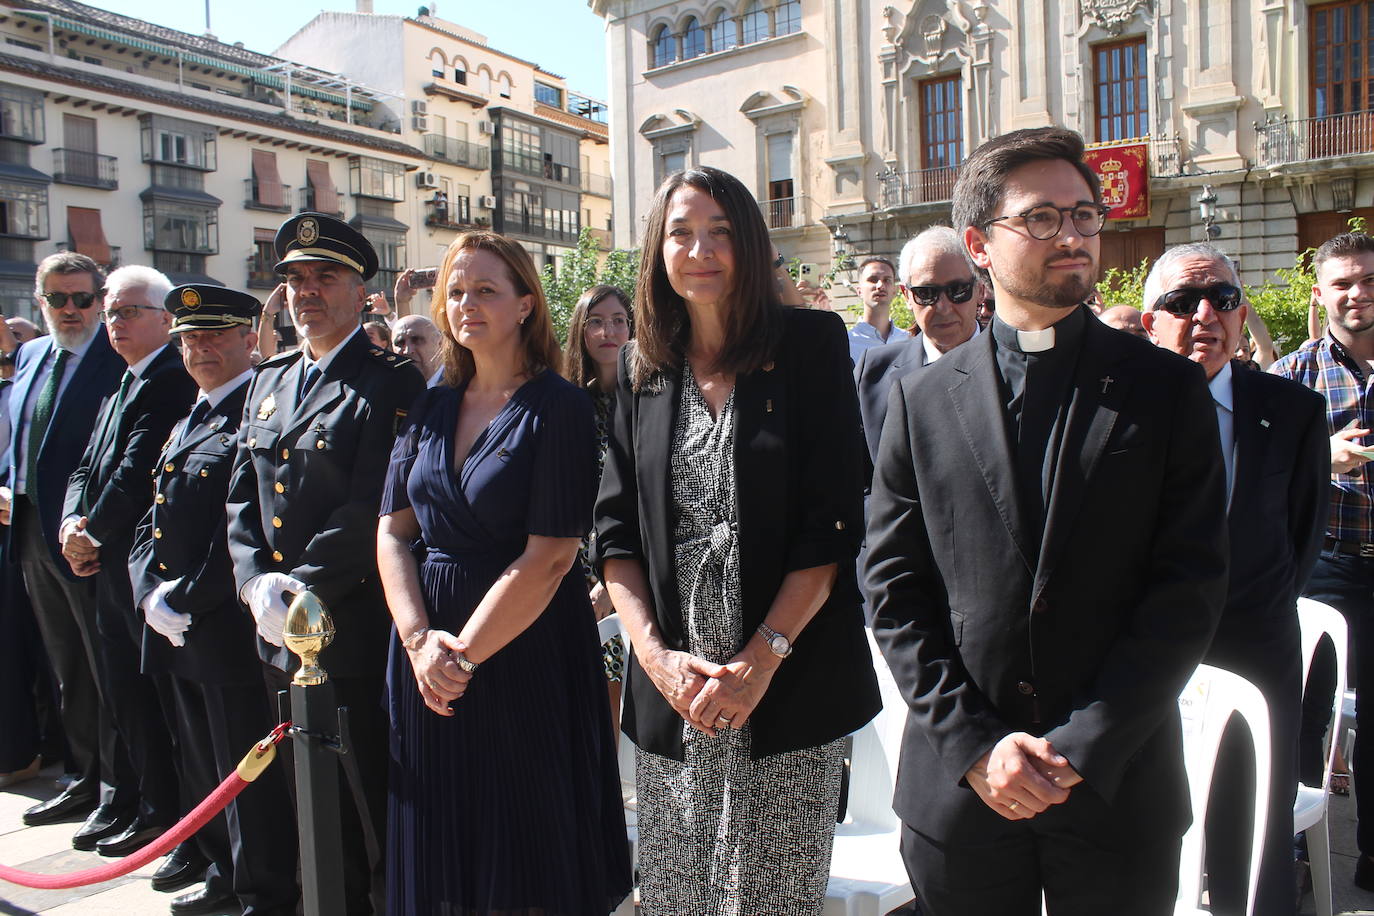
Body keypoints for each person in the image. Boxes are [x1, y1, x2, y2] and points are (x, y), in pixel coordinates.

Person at [866, 127, 1229, 915]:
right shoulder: (919, 401)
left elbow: (1190, 586)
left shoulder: (1166, 390)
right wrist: (973, 746)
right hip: (961, 792)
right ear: (979, 246)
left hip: (1118, 785)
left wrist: (1083, 747)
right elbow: (893, 588)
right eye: (1040, 218)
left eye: (1084, 215)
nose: (1071, 235)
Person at [594, 165, 880, 912]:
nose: (701, 250)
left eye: (720, 232)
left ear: (750, 244)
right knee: (676, 899)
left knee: (774, 899)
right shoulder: (641, 367)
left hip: (787, 683)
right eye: (681, 233)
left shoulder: (810, 343)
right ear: (657, 250)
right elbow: (615, 534)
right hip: (678, 692)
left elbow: (830, 523)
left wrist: (761, 660)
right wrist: (655, 661)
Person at [378, 231, 630, 914]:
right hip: (427, 654)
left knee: (521, 851)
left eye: (486, 290)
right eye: (456, 291)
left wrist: (460, 657)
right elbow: (393, 532)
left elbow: (550, 558)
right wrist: (418, 643)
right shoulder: (429, 406)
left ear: (525, 305)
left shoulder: (559, 406)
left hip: (523, 650)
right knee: (439, 847)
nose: (467, 304)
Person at [226, 212, 424, 916]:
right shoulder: (270, 380)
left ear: (362, 292)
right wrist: (254, 582)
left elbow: (376, 503)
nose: (306, 291)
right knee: (306, 805)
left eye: (325, 277)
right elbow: (241, 496)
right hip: (276, 631)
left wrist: (298, 589)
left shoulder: (391, 383)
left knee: (368, 806)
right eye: (296, 279)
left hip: (351, 630)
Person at [1142, 243, 1327, 916]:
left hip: (1255, 647)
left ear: (1242, 314)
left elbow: (1301, 535)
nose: (1205, 315)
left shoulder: (1292, 410)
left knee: (1253, 841)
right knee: (1145, 834)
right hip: (1141, 655)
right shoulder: (1116, 411)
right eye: (1183, 301)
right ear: (1149, 323)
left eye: (1222, 299)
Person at [129, 285, 299, 916]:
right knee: (200, 760)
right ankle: (222, 871)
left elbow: (241, 531)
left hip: (224, 626)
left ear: (248, 339)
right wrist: (147, 592)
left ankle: (262, 891)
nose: (200, 348)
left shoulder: (254, 417)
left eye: (215, 335)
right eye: (189, 338)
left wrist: (185, 598)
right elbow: (152, 519)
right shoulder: (189, 418)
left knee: (242, 773)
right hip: (176, 626)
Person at [62, 266, 197, 860]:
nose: (113, 322)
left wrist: (92, 533)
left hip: (139, 564)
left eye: (126, 311)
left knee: (152, 700)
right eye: (109, 312)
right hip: (104, 561)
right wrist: (72, 523)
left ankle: (165, 816)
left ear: (166, 321)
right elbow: (85, 465)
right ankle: (140, 804)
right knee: (121, 692)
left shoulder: (167, 379)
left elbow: (136, 472)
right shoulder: (125, 380)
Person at [0, 253, 129, 845]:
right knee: (65, 665)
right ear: (40, 302)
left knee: (103, 667)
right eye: (58, 299)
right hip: (29, 529)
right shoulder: (29, 355)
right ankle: (82, 773)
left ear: (99, 300)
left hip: (86, 538)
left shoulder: (114, 357)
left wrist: (89, 524)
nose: (71, 310)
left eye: (82, 298)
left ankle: (120, 787)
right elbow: (21, 437)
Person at [1271, 230, 1374, 893]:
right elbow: (1257, 471)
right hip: (1327, 564)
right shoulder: (1294, 376)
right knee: (1309, 712)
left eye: (1368, 280)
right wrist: (1322, 458)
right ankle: (1298, 853)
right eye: (1343, 283)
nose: (1357, 293)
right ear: (1321, 293)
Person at [854, 226, 981, 476]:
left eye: (958, 290)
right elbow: (854, 470)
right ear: (906, 295)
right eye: (927, 293)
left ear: (980, 289)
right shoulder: (874, 371)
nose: (943, 307)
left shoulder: (1011, 363)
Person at [564, 283, 634, 723]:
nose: (608, 331)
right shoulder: (564, 403)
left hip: (629, 562)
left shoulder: (651, 399)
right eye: (596, 322)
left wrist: (611, 580)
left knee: (616, 688)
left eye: (618, 321)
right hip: (566, 563)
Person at [847, 255, 908, 363]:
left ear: (894, 290)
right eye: (873, 280)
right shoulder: (847, 343)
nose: (880, 285)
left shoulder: (909, 340)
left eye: (887, 280)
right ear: (859, 291)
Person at [391, 314, 443, 381]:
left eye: (417, 340)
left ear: (440, 343)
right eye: (400, 343)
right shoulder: (389, 386)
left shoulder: (455, 383)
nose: (408, 351)